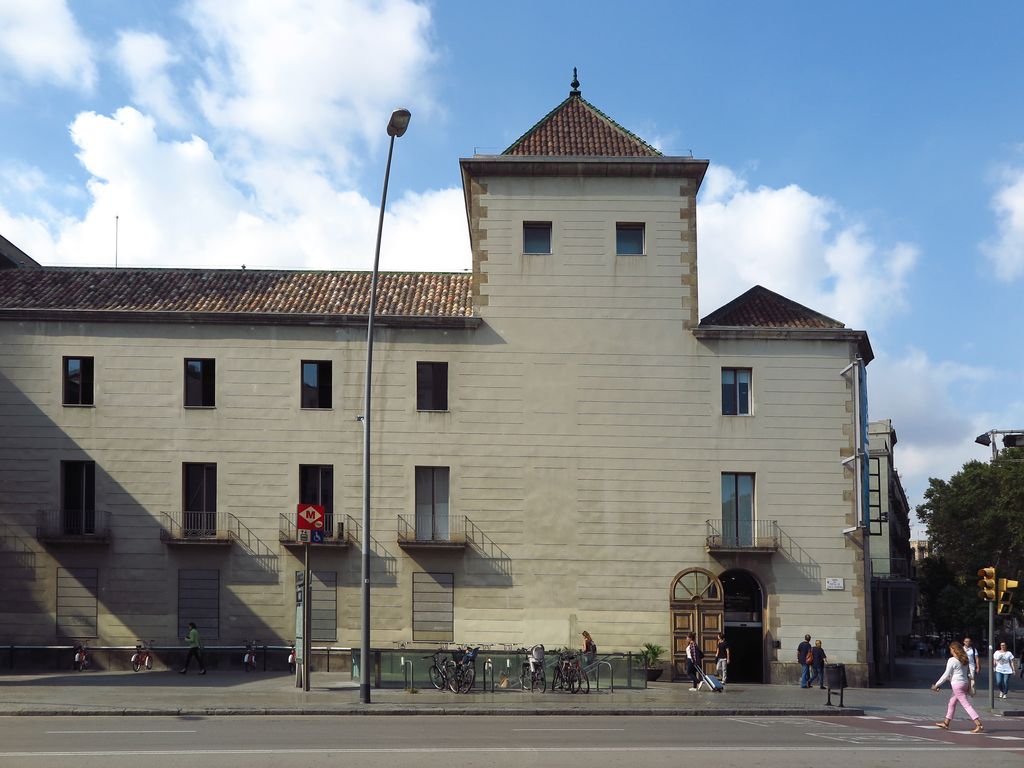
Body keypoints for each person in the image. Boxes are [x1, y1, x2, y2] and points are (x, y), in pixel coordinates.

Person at [932, 640, 983, 733]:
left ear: (954, 650)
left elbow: (946, 674)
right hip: (965, 684)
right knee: (952, 703)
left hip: (957, 685)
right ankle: (946, 723)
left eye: (951, 649)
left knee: (966, 705)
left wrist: (937, 685)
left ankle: (978, 724)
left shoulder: (952, 660)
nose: (950, 651)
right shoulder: (964, 659)